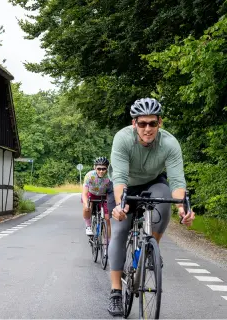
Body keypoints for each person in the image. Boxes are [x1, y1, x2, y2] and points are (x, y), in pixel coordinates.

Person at [106, 98, 195, 316]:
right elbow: (119, 177)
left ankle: (151, 247)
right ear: (134, 123)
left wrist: (183, 208)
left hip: (153, 182)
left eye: (152, 124)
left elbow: (176, 181)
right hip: (125, 185)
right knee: (119, 231)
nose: (147, 129)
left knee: (164, 201)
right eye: (142, 123)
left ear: (160, 123)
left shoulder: (170, 143)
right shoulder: (123, 139)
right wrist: (120, 205)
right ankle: (116, 292)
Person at [81, 157, 111, 239]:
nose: (101, 171)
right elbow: (84, 193)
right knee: (87, 207)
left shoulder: (110, 176)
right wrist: (86, 204)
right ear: (95, 167)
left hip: (103, 195)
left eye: (104, 169)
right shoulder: (89, 175)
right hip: (91, 194)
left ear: (107, 168)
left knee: (108, 218)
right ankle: (88, 226)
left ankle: (108, 242)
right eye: (99, 169)